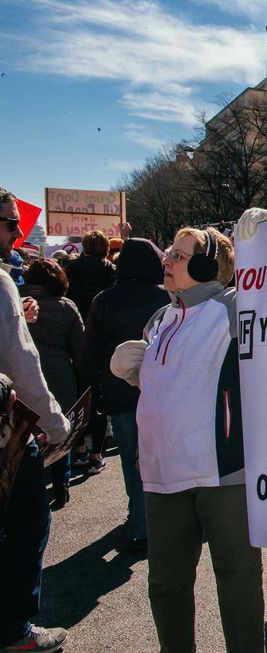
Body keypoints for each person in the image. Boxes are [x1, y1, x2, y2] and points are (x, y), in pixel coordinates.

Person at [110, 225, 265, 652]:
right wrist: (135, 370)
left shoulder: (232, 306)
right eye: (169, 253)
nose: (167, 261)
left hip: (223, 475)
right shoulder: (161, 318)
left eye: (179, 256)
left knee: (238, 584)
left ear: (206, 264)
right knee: (166, 585)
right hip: (162, 477)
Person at [0, 187, 72, 653]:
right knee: (28, 522)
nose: (17, 231)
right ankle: (15, 631)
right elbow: (21, 362)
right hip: (6, 429)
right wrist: (56, 422)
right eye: (10, 223)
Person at [82, 238, 169, 551]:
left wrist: (91, 392)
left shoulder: (104, 300)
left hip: (119, 392)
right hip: (161, 392)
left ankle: (139, 523)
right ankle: (163, 521)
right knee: (161, 458)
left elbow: (90, 352)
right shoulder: (168, 297)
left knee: (132, 459)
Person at [19, 259, 84, 510]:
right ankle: (61, 483)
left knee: (26, 431)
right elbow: (79, 347)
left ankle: (30, 484)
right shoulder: (66, 307)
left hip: (23, 375)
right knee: (59, 427)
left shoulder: (15, 303)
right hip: (59, 375)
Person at [65, 231, 116, 475]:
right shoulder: (110, 270)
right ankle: (97, 454)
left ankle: (79, 451)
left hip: (75, 338)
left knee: (78, 395)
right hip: (102, 338)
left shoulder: (71, 269)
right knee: (98, 398)